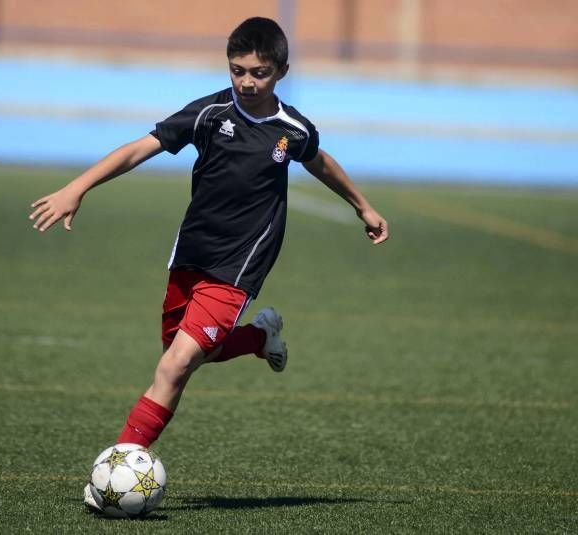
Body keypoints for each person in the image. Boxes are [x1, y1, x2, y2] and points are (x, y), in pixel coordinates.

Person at [28, 16, 389, 509]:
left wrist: (361, 205)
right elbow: (141, 148)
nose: (246, 81)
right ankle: (260, 337)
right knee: (187, 355)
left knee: (176, 366)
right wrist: (77, 187)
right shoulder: (209, 113)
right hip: (192, 254)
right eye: (237, 69)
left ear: (282, 70)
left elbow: (318, 159)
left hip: (241, 264)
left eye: (259, 72)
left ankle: (117, 473)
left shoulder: (292, 129)